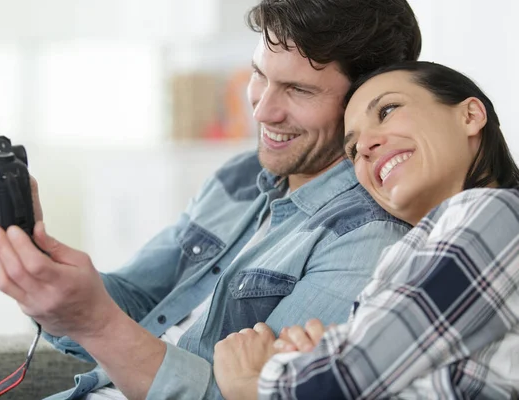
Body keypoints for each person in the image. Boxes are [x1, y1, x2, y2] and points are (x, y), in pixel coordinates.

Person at [0, 1, 421, 399]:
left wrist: (95, 324)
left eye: (296, 89)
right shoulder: (241, 176)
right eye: (260, 75)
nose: (263, 108)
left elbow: (251, 396)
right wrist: (34, 254)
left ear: (370, 101)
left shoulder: (368, 239)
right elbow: (139, 300)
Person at [213, 61, 519, 399]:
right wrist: (318, 357)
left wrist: (250, 385)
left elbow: (345, 381)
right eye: (351, 149)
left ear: (470, 116)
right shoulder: (404, 255)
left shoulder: (497, 212)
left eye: (387, 110)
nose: (365, 147)